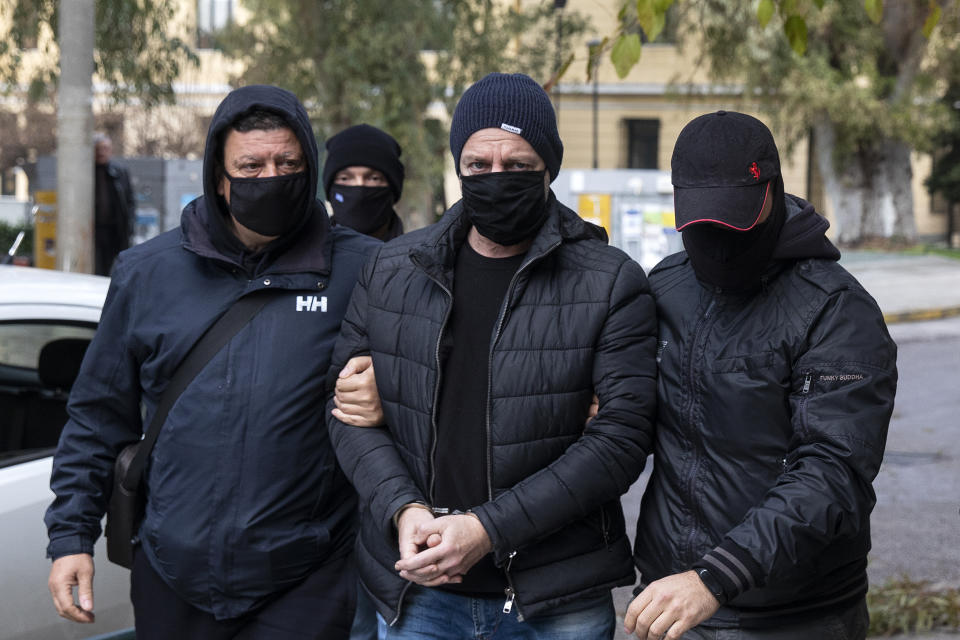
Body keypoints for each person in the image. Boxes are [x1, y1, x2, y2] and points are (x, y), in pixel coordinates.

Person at [327, 72, 658, 640]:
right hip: (420, 592)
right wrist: (403, 508)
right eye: (479, 166)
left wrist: (485, 529)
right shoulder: (392, 270)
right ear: (459, 166)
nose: (496, 179)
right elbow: (346, 415)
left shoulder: (610, 281)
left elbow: (622, 440)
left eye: (518, 165)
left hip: (556, 600)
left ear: (548, 167)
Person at [45, 85, 379, 640]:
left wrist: (384, 395)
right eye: (251, 165)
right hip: (172, 577)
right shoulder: (147, 273)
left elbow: (433, 386)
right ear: (220, 180)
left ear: (309, 168)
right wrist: (70, 539)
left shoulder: (365, 271)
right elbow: (97, 418)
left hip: (307, 581)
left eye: (287, 163)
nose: (270, 176)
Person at [623, 110, 898, 639]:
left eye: (735, 218)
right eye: (703, 223)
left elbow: (833, 471)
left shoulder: (837, 310)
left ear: (771, 191)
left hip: (795, 615)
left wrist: (716, 576)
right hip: (672, 602)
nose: (719, 240)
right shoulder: (666, 286)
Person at [323, 124, 405, 241]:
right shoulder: (305, 255)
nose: (359, 190)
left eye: (374, 178)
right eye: (345, 178)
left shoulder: (421, 256)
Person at [93, 133, 136, 276]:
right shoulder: (86, 172)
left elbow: (129, 202)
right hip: (94, 231)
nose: (101, 152)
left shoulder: (120, 172)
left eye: (105, 148)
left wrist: (129, 227)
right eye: (98, 149)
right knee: (97, 268)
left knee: (117, 269)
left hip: (115, 231)